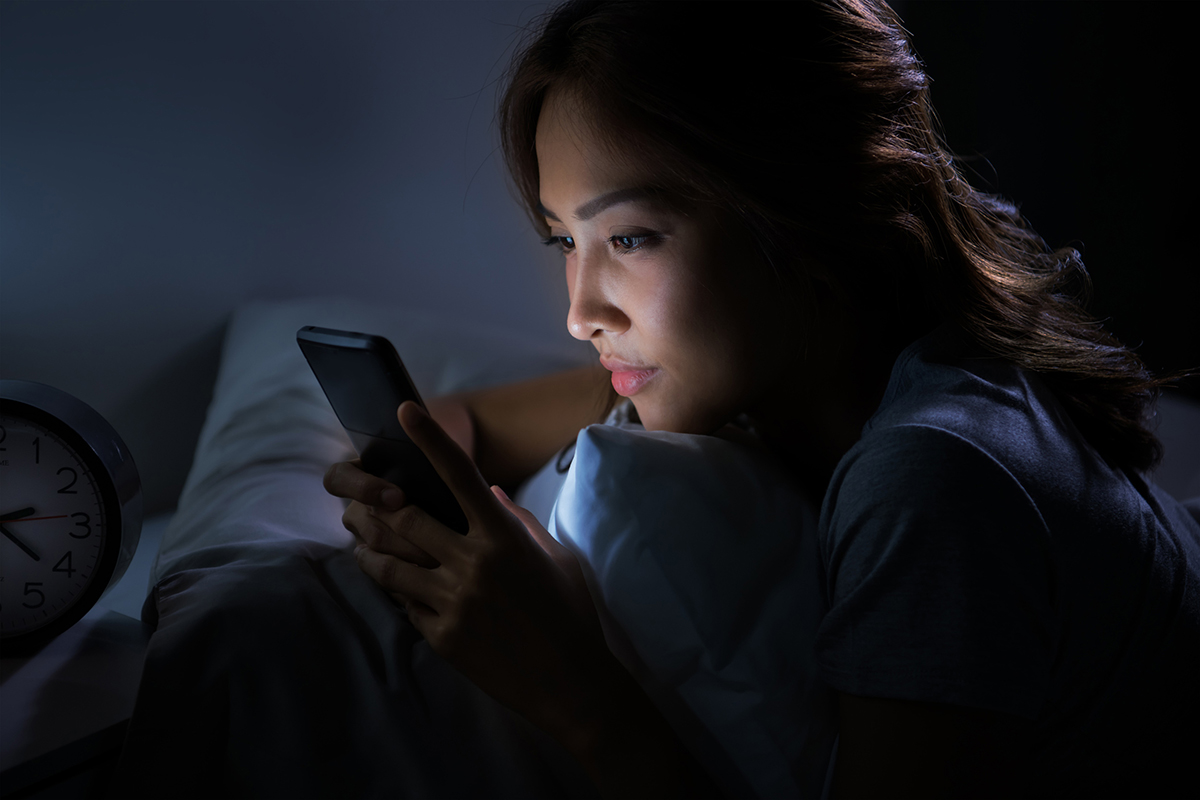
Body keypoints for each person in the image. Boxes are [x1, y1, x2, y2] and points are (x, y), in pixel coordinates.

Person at [325, 1, 1200, 797]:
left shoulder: (933, 476)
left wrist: (571, 685)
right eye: (567, 239)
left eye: (631, 236)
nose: (581, 312)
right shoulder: (794, 379)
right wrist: (408, 490)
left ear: (801, 210)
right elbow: (460, 423)